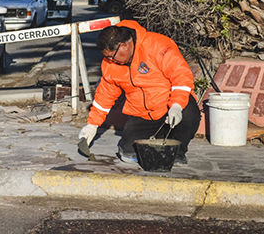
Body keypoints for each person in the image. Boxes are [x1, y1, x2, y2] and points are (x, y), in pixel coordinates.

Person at [78, 20, 201, 165]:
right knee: (128, 153)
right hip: (143, 114)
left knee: (190, 113)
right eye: (107, 57)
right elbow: (105, 96)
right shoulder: (110, 64)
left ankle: (178, 151)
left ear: (123, 45)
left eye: (112, 56)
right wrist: (92, 125)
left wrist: (176, 106)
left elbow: (181, 76)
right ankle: (159, 136)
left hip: (169, 107)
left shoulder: (157, 45)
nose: (110, 60)